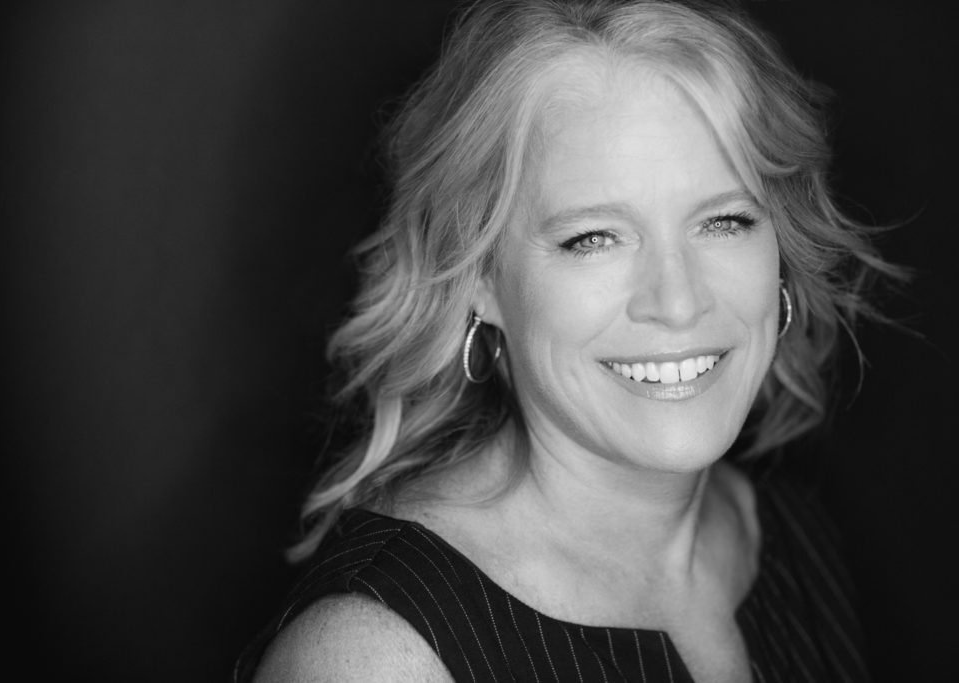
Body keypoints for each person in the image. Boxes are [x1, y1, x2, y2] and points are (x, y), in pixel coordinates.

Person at [237, 0, 901, 680]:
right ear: (477, 278)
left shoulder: (790, 530)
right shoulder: (377, 657)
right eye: (593, 238)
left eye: (725, 221)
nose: (678, 302)